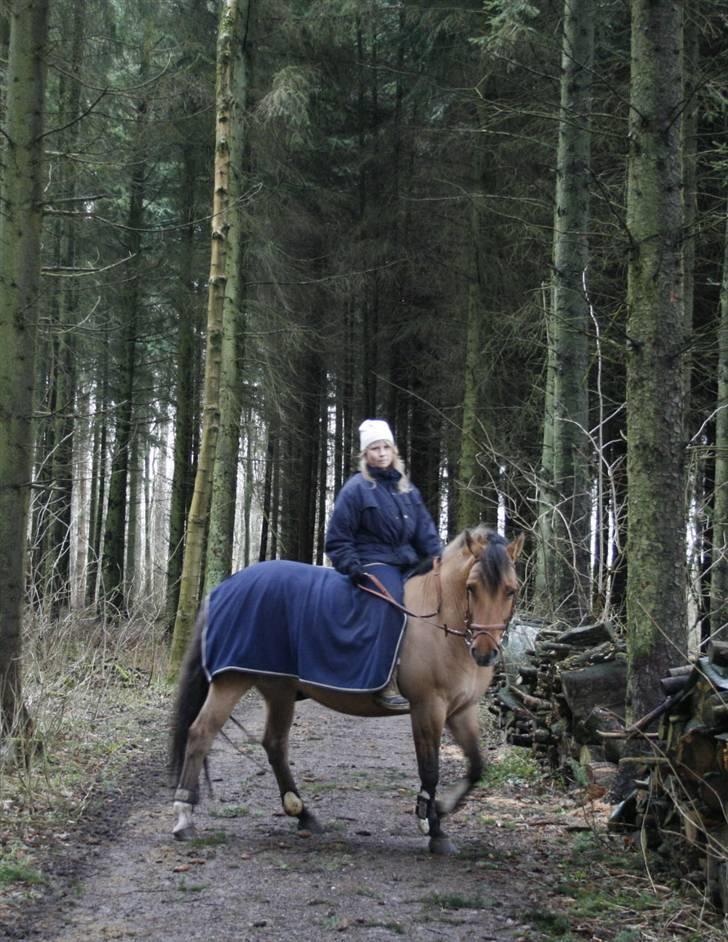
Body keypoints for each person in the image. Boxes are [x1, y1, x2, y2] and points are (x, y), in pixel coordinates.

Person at [325, 418, 443, 709]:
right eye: (374, 448)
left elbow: (425, 532)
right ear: (365, 454)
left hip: (408, 562)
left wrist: (440, 559)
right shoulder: (356, 489)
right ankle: (385, 679)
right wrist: (353, 566)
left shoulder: (407, 489)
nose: (380, 453)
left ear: (394, 451)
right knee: (394, 605)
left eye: (385, 447)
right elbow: (337, 539)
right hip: (374, 561)